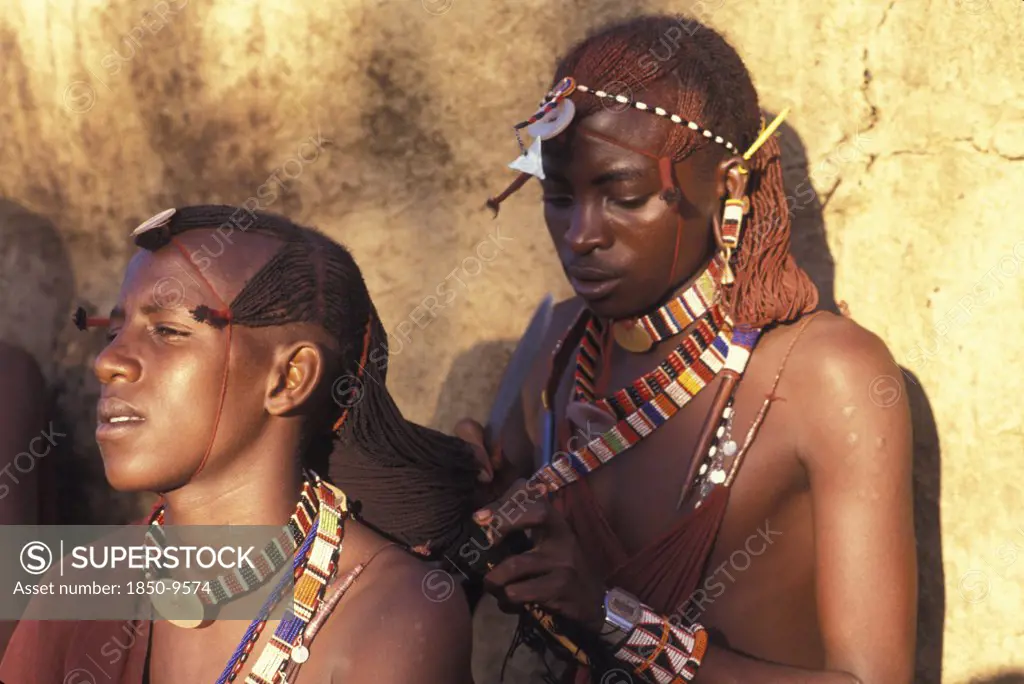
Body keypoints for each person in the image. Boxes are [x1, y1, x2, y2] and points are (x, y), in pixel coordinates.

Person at [457, 14, 916, 684]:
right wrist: (476, 507)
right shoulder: (559, 348)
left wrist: (610, 619)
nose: (581, 235)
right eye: (558, 196)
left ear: (728, 186)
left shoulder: (827, 375)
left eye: (625, 197)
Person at [0, 205, 476, 683]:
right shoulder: (80, 586)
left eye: (167, 330)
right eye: (115, 330)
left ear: (290, 378)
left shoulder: (389, 613)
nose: (108, 362)